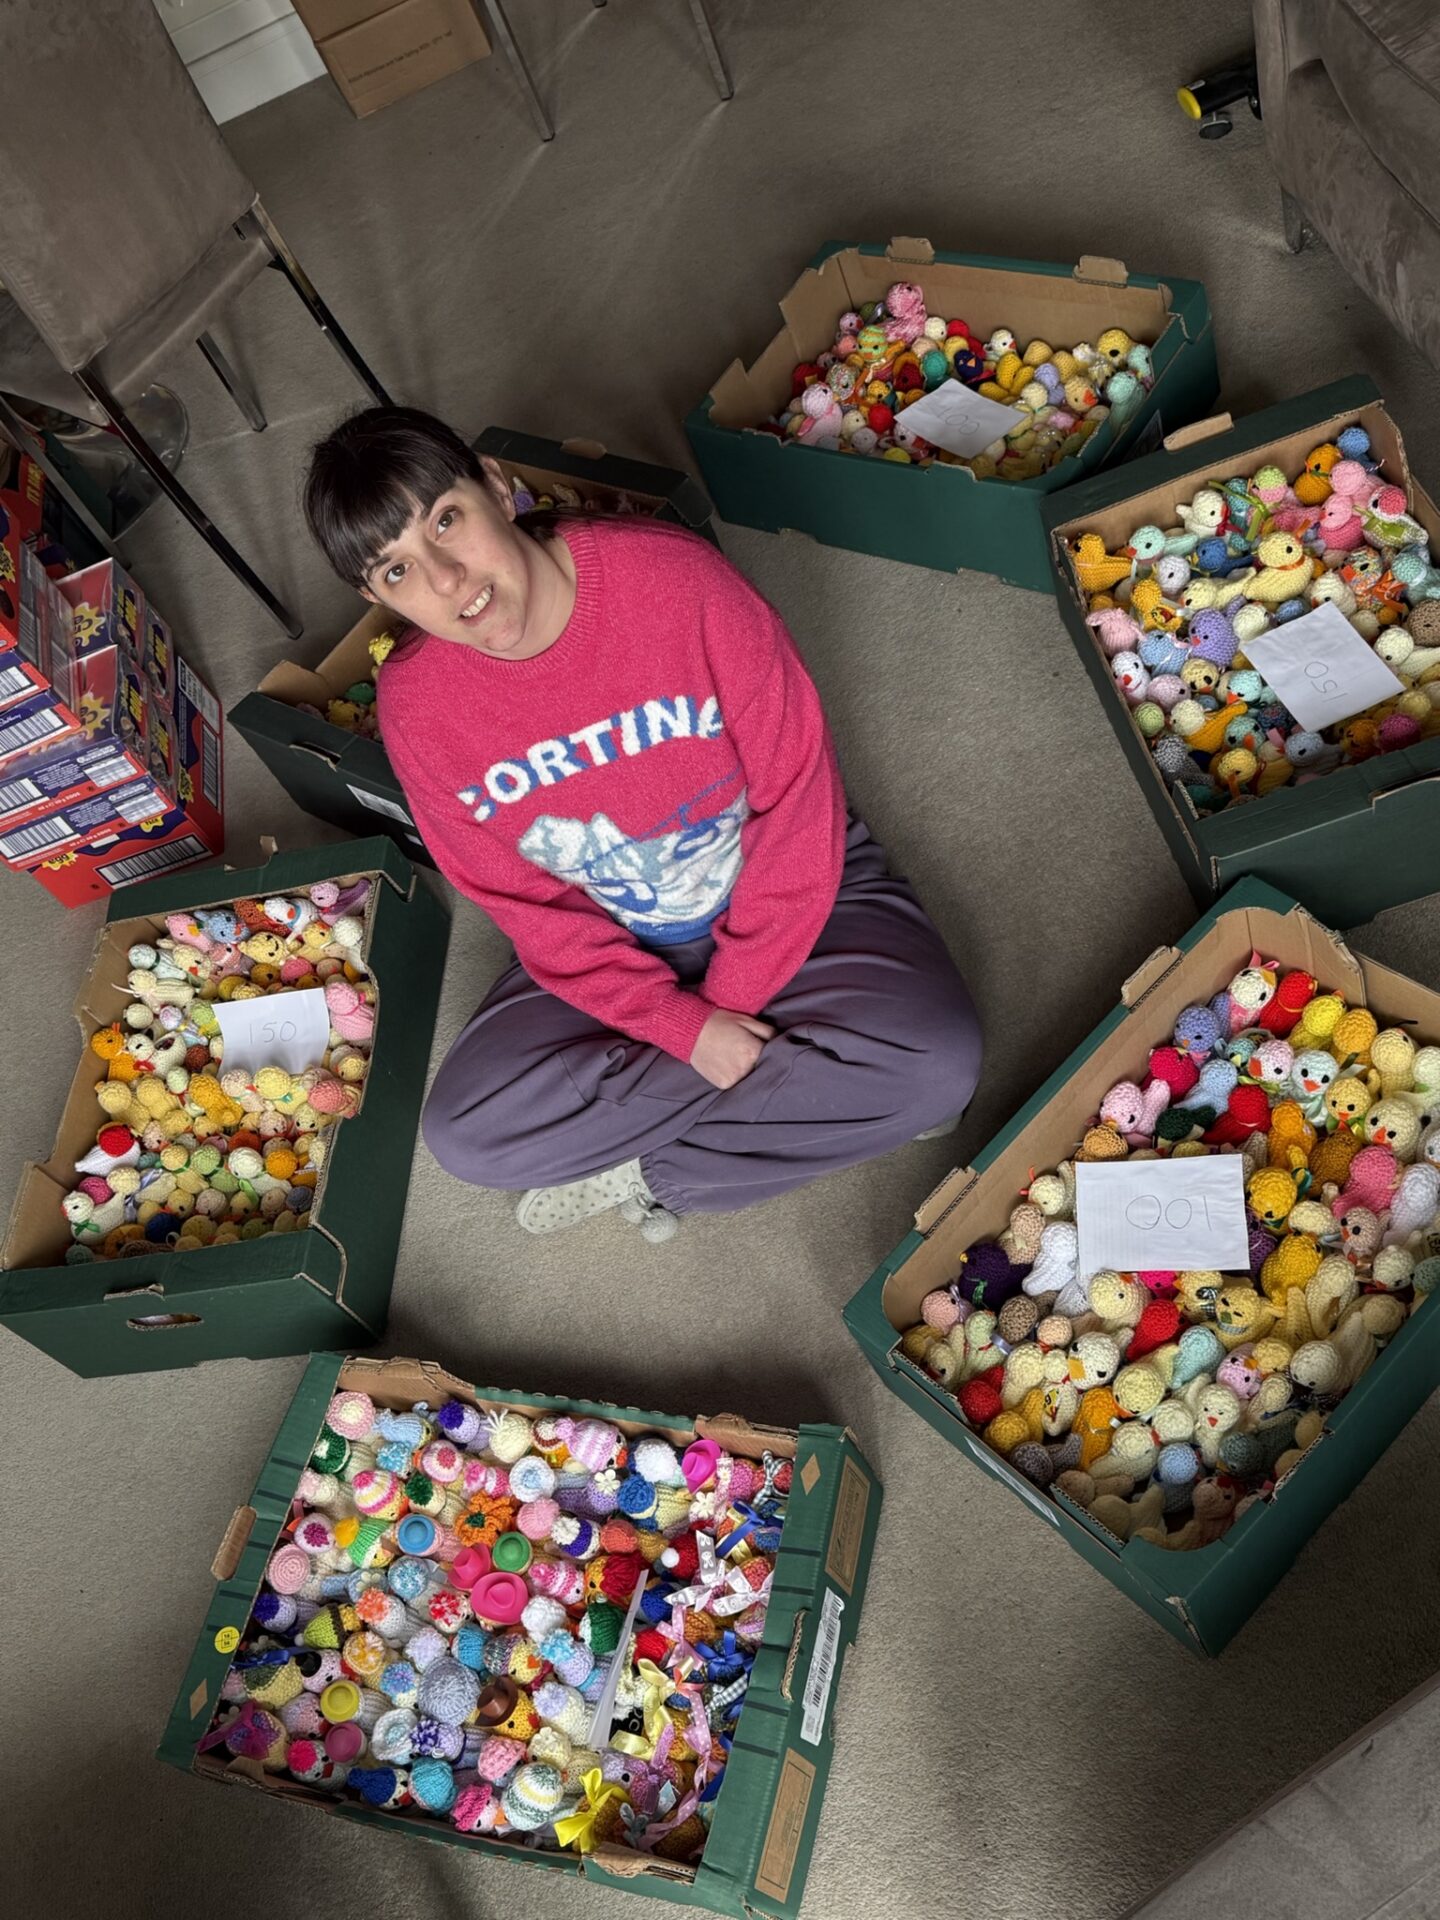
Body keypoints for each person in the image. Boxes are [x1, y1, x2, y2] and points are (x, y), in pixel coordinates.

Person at [303, 406, 982, 1241]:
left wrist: (719, 1012)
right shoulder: (416, 709)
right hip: (617, 937)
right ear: (374, 596)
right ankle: (824, 1097)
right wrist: (684, 1027)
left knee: (942, 1066)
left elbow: (797, 796)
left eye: (447, 521)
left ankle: (648, 1167)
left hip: (790, 891)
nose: (446, 580)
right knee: (466, 1135)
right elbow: (532, 913)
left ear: (495, 487)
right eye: (399, 571)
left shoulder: (679, 582)